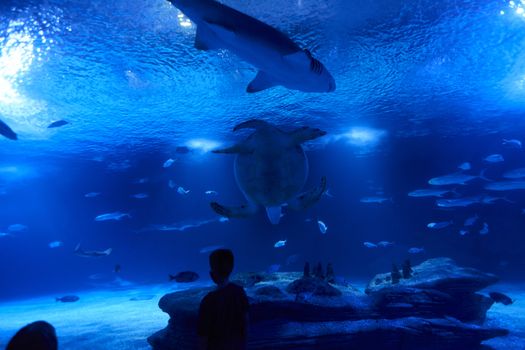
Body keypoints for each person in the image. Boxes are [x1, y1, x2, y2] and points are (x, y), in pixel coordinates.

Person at [198, 249, 249, 350]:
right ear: (231, 269)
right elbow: (246, 321)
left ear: (211, 274)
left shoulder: (208, 300)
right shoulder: (240, 292)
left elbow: (203, 335)